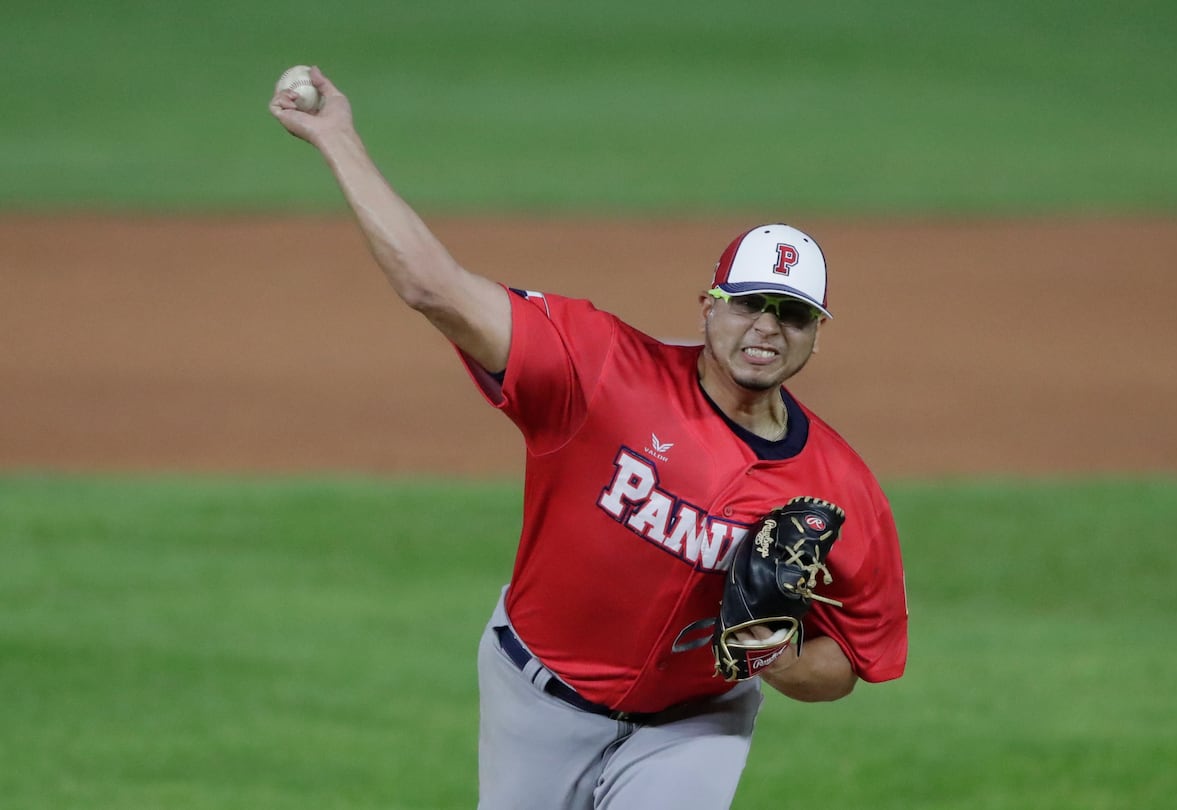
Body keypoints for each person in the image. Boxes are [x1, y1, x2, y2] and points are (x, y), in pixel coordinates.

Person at [270, 66, 908, 810]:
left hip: (696, 724)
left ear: (816, 336)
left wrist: (777, 657)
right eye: (747, 305)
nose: (766, 327)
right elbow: (432, 288)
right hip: (535, 701)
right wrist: (336, 137)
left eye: (791, 314)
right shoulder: (602, 371)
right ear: (707, 308)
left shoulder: (840, 487)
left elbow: (852, 659)